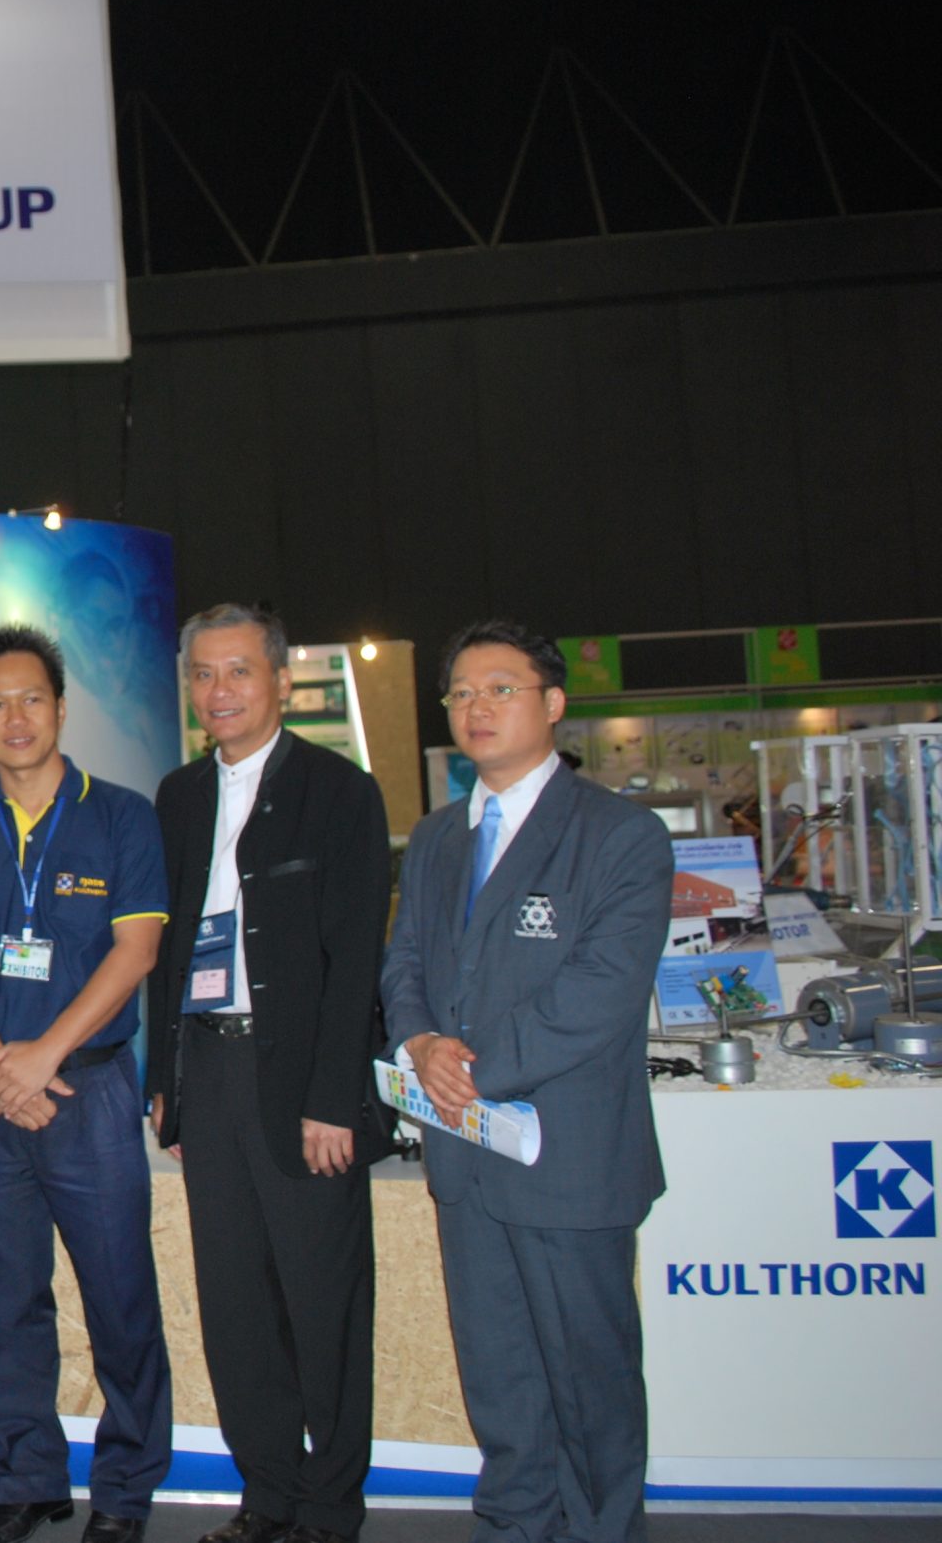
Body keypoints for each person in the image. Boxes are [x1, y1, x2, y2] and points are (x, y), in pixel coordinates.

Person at [380, 621, 672, 1543]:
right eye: (462, 693)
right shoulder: (438, 837)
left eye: (500, 689)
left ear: (553, 704)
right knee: (500, 1377)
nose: (477, 707)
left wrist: (472, 1070)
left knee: (589, 1382)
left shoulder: (620, 835)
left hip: (567, 1161)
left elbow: (601, 991)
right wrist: (420, 1042)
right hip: (467, 1158)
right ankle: (513, 1524)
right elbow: (405, 960)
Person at [144, 606, 393, 1543]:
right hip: (207, 1073)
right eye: (204, 674)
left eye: (240, 671)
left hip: (302, 1086)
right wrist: (166, 1078)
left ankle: (329, 1507)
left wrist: (334, 1100)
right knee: (237, 1302)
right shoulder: (178, 796)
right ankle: (268, 1494)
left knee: (324, 1302)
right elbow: (166, 950)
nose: (220, 692)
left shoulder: (340, 791)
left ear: (282, 681)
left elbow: (355, 960)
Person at [0, 624, 171, 1543]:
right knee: (0, 1299)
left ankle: (126, 1488)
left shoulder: (122, 816)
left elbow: (135, 951)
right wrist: (3, 1068)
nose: (15, 717)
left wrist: (43, 1057)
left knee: (119, 1296)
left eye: (31, 698)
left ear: (61, 708)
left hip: (89, 1092)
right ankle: (29, 1477)